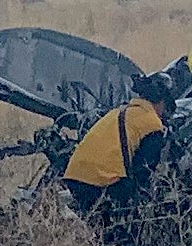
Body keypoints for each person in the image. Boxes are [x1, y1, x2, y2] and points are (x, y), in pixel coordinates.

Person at [62, 74, 173, 235]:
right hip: (101, 181)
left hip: (75, 174)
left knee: (97, 229)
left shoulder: (118, 112)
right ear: (162, 102)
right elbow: (143, 170)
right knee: (117, 235)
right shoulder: (152, 123)